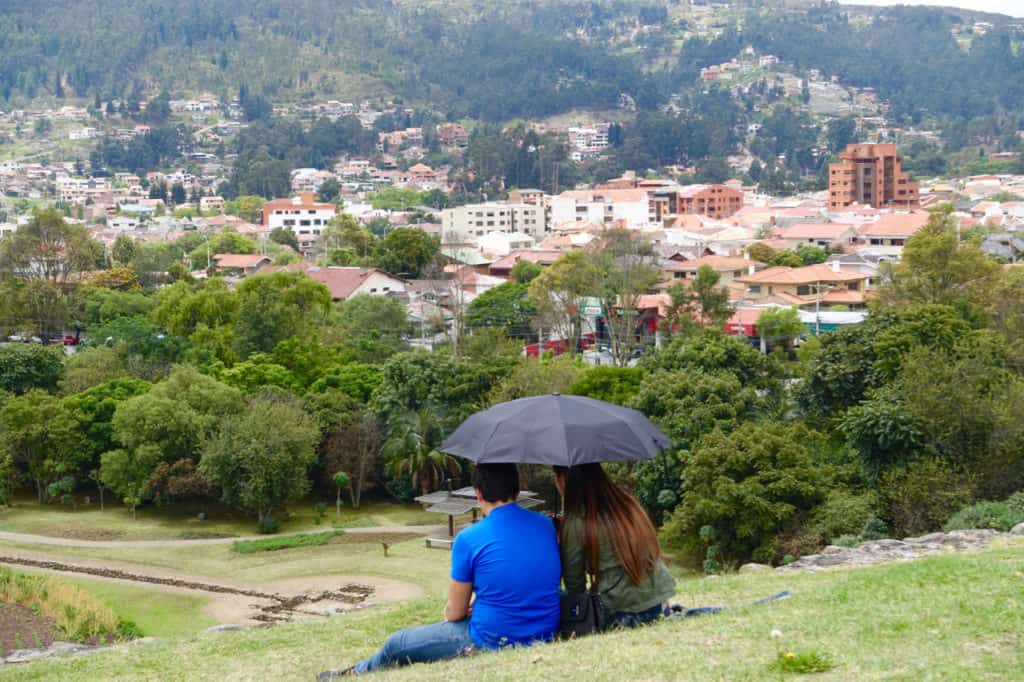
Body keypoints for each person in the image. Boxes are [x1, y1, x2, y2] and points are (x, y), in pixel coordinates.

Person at [318, 463, 561, 678]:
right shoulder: (545, 524)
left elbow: (454, 614)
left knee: (396, 644)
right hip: (545, 628)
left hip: (492, 639)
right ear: (517, 490)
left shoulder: (469, 537)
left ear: (478, 494)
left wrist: (458, 610)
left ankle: (353, 674)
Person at [553, 463, 676, 628]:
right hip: (659, 605)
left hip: (620, 611)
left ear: (563, 480)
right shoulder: (627, 503)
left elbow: (575, 586)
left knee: (552, 596)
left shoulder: (576, 521)